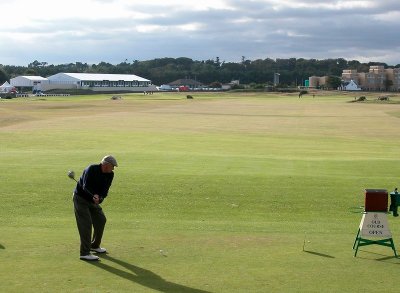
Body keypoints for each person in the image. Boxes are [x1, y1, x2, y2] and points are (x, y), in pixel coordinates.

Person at [73, 155, 118, 261]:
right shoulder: (91, 169)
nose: (113, 169)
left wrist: (100, 198)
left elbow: (105, 190)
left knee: (101, 220)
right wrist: (93, 195)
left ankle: (94, 245)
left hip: (93, 201)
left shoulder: (110, 175)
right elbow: (85, 186)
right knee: (86, 224)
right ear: (106, 165)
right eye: (112, 166)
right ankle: (84, 252)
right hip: (81, 199)